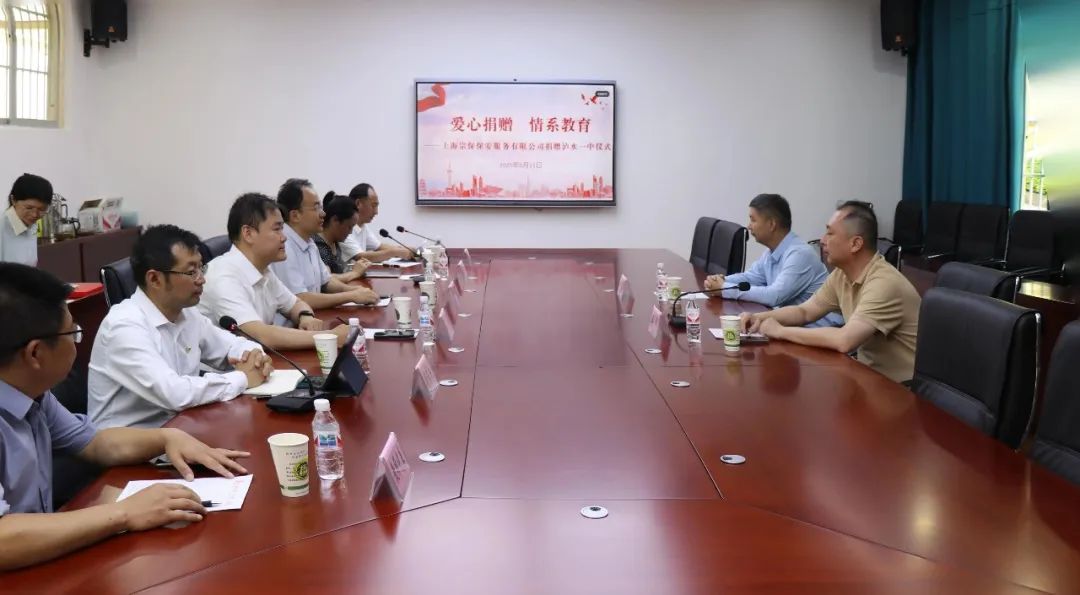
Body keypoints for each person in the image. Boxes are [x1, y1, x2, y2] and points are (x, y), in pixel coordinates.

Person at [0, 263, 249, 571]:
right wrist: (125, 513)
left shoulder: (33, 392)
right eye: (73, 333)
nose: (77, 341)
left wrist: (165, 438)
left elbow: (94, 443)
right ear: (35, 354)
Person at [87, 225, 273, 430]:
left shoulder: (186, 312)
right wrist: (243, 378)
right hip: (133, 442)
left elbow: (230, 346)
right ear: (154, 279)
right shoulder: (123, 326)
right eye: (191, 272)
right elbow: (175, 394)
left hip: (182, 427)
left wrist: (255, 357)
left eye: (201, 268)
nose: (201, 279)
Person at [740, 201, 920, 383]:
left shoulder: (884, 283)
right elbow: (805, 312)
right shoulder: (842, 275)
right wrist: (758, 318)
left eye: (830, 233)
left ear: (855, 244)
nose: (823, 240)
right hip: (868, 377)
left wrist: (780, 331)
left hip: (901, 389)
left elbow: (845, 340)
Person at [198, 193, 353, 350]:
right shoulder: (223, 277)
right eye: (277, 229)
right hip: (231, 365)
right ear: (248, 234)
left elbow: (296, 304)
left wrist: (305, 316)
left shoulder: (263, 270)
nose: (284, 237)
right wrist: (329, 337)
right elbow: (260, 336)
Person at [704, 194, 843, 328]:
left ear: (771, 224)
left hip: (821, 332)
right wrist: (722, 281)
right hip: (794, 328)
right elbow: (751, 277)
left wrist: (724, 289)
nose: (749, 226)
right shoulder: (772, 251)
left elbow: (774, 296)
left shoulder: (800, 254)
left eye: (753, 220)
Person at [269, 178, 378, 308]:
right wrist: (351, 296)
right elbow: (300, 298)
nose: (323, 213)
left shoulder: (309, 242)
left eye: (320, 207)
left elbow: (326, 281)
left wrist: (354, 290)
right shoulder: (284, 246)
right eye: (316, 208)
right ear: (295, 216)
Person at [338, 183, 414, 263]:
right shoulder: (344, 228)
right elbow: (361, 257)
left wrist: (406, 250)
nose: (376, 212)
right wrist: (394, 252)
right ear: (358, 204)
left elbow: (379, 247)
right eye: (373, 206)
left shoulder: (362, 226)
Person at [316, 193, 371, 283]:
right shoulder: (319, 246)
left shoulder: (335, 242)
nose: (350, 232)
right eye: (349, 227)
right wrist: (355, 273)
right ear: (335, 220)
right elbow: (327, 279)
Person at [1, 173, 52, 266]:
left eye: (42, 209)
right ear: (13, 200)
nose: (35, 215)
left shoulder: (31, 226)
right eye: (29, 208)